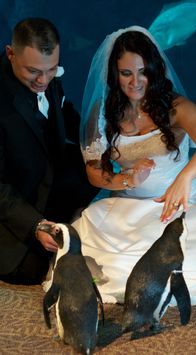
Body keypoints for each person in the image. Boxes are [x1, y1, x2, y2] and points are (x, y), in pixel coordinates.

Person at [71, 25, 196, 305]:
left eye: (143, 71)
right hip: (127, 205)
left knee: (192, 259)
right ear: (114, 74)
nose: (136, 81)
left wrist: (183, 180)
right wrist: (127, 181)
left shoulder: (178, 108)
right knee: (98, 256)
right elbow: (93, 172)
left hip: (180, 204)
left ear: (154, 71)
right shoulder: (103, 112)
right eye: (126, 73)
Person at [0, 17, 99, 285]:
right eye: (33, 71)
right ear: (10, 53)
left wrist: (97, 140)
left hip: (44, 176)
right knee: (29, 271)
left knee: (96, 164)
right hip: (12, 197)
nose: (43, 80)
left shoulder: (46, 76)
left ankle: (66, 215)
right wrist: (36, 225)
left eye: (52, 69)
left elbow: (64, 113)